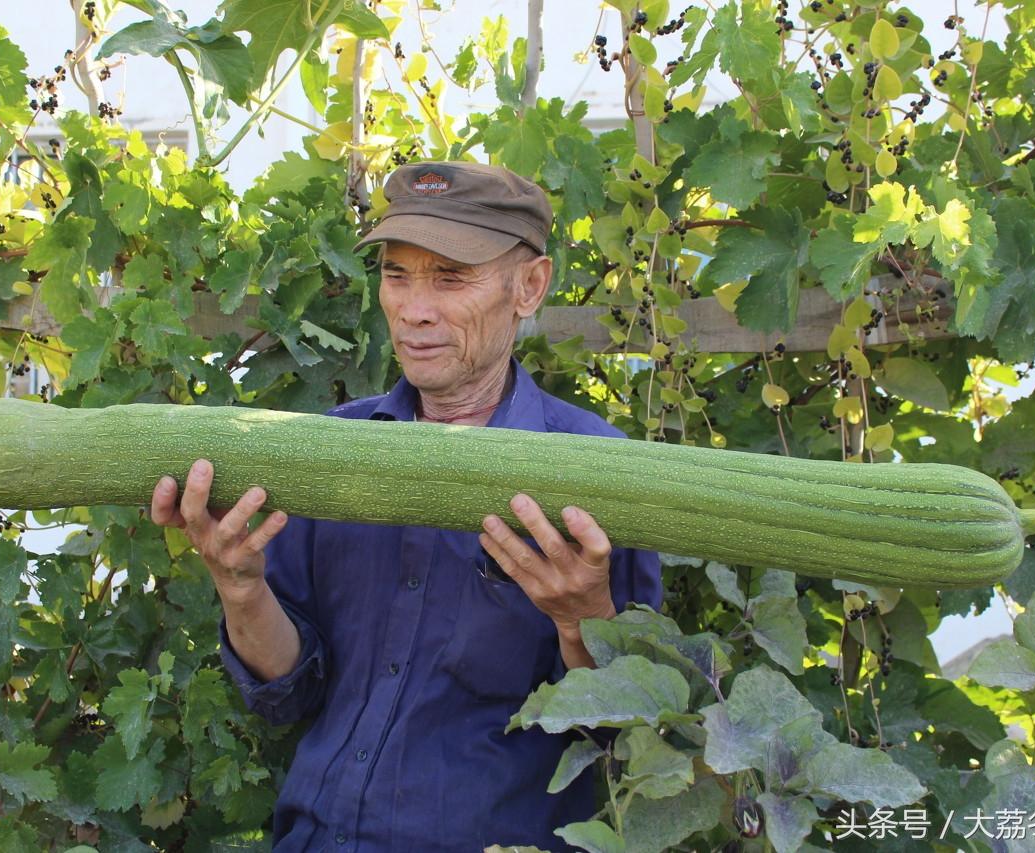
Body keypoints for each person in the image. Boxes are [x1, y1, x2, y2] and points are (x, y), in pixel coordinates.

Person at [149, 161, 663, 851]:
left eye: (450, 277)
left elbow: (620, 732)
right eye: (397, 274)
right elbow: (290, 692)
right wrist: (242, 591)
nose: (414, 308)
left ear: (529, 286)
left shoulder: (599, 471)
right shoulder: (330, 448)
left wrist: (583, 623)